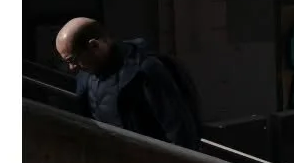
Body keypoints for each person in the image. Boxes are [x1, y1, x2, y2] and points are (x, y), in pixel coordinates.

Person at [54, 18, 201, 150]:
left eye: (73, 60)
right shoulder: (85, 76)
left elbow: (179, 130)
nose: (72, 68)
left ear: (94, 46)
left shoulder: (145, 70)